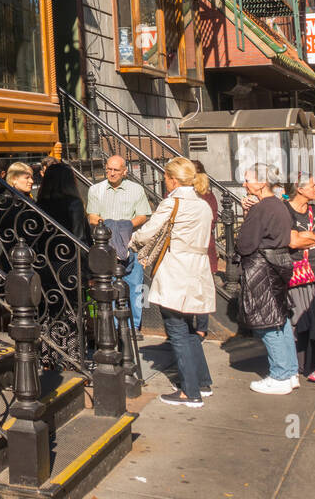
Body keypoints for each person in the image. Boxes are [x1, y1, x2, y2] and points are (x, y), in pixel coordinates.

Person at [129, 157, 215, 408]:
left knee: (176, 330)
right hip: (197, 270)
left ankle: (190, 393)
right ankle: (202, 382)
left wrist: (130, 242)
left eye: (165, 177)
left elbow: (148, 232)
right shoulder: (203, 205)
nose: (164, 181)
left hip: (176, 270)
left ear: (173, 179)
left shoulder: (173, 202)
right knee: (188, 328)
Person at [236, 166, 299, 394]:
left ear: (261, 183)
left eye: (247, 180)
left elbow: (245, 243)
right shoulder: (279, 205)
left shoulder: (262, 208)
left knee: (266, 323)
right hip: (279, 264)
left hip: (261, 267)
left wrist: (247, 218)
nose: (244, 184)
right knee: (279, 319)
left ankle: (281, 374)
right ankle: (290, 371)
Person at [87, 155, 150, 336]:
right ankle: (114, 326)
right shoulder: (95, 190)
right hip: (107, 248)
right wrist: (111, 225)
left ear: (125, 171)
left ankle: (134, 326)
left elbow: (143, 215)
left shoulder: (136, 190)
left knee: (136, 287)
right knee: (110, 287)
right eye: (109, 169)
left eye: (116, 170)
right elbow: (92, 216)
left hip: (132, 245)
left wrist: (125, 226)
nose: (111, 173)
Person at [284, 176, 315, 384]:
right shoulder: (285, 210)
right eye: (313, 186)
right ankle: (297, 364)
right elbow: (292, 241)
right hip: (294, 273)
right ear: (300, 188)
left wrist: (308, 236)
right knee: (297, 319)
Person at [37, 161, 89, 243]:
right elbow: (80, 237)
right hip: (69, 252)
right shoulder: (74, 203)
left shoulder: (40, 204)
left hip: (46, 252)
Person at [192, 159, 218, 275]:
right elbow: (213, 220)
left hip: (195, 246)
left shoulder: (206, 195)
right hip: (204, 243)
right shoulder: (208, 195)